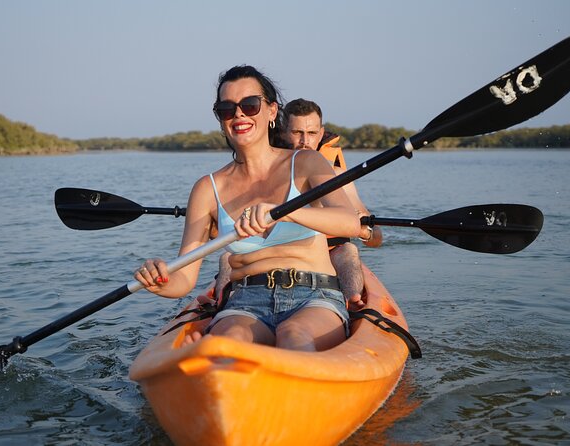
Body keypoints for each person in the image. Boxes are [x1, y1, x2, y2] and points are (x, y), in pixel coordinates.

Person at [134, 65, 368, 352]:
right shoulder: (207, 188)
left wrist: (284, 210)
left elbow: (350, 223)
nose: (239, 114)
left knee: (294, 336)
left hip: (313, 296)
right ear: (220, 120)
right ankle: (212, 360)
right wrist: (160, 281)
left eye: (250, 105)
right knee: (228, 344)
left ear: (271, 111)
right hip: (244, 301)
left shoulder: (306, 163)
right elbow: (183, 278)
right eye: (227, 109)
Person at [282, 98, 383, 309]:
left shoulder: (337, 175)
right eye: (297, 132)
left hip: (330, 252)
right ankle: (216, 303)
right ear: (284, 132)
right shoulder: (268, 173)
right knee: (228, 256)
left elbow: (376, 239)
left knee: (348, 251)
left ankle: (353, 304)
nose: (304, 141)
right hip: (280, 252)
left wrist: (364, 230)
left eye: (311, 133)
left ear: (321, 134)